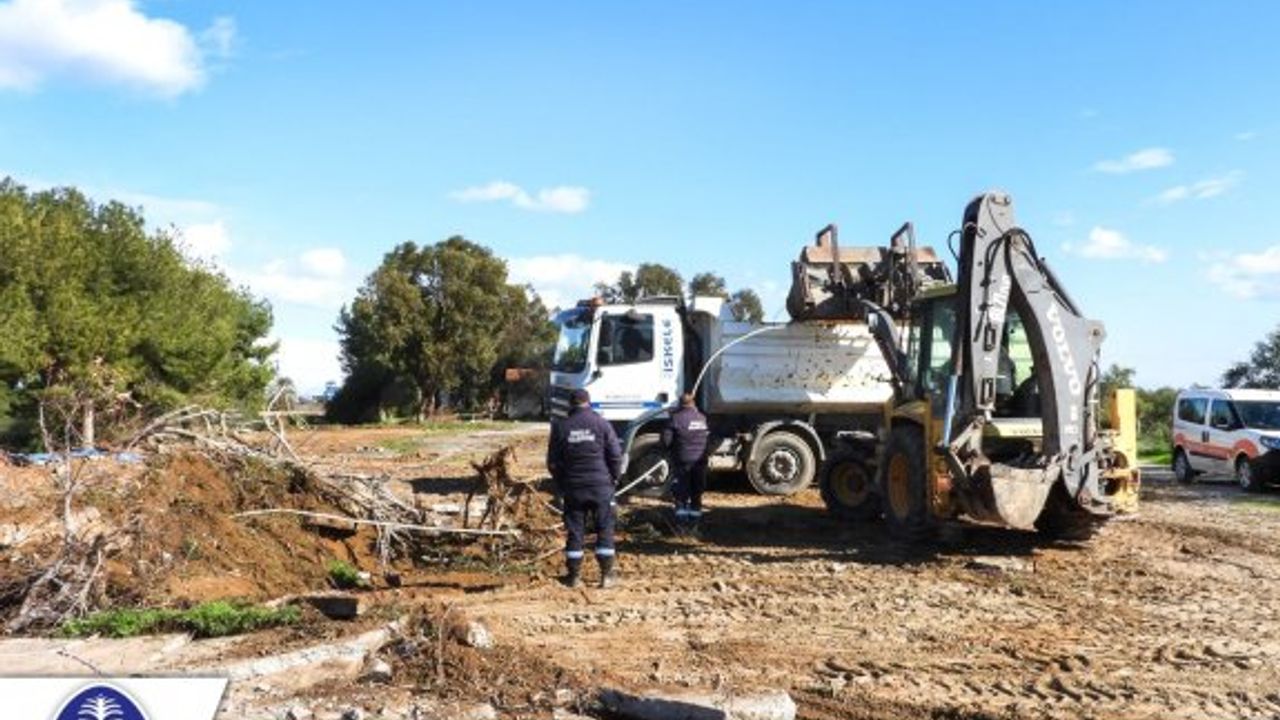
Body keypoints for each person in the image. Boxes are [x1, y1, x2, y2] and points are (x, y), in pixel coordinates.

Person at [546, 388, 622, 588]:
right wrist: (614, 479)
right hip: (601, 486)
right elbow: (615, 455)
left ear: (571, 404)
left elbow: (552, 463)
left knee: (575, 531)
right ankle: (606, 576)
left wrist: (563, 483)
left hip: (574, 488)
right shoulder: (602, 424)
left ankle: (574, 577)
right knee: (605, 527)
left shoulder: (561, 427)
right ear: (589, 402)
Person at [663, 392, 710, 534]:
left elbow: (666, 441)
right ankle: (694, 526)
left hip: (682, 462)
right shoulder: (702, 418)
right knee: (696, 494)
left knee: (681, 495)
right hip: (699, 462)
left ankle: (681, 527)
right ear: (693, 403)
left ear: (680, 404)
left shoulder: (676, 419)